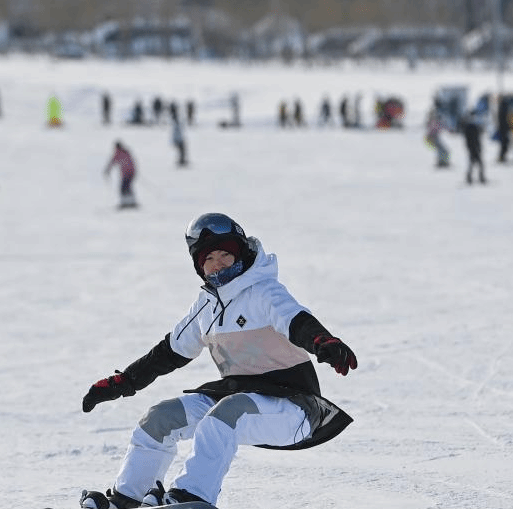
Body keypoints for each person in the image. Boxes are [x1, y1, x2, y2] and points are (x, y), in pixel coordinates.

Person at [79, 213, 357, 509]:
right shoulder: (206, 306)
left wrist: (322, 341)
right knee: (160, 418)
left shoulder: (264, 291)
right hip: (237, 396)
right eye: (209, 258)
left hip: (292, 408)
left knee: (226, 413)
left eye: (225, 254)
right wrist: (124, 382)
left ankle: (192, 495)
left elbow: (296, 320)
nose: (217, 263)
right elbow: (168, 353)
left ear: (240, 254)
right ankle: (128, 497)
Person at [105, 141, 138, 209]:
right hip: (131, 173)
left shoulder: (119, 153)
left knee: (123, 188)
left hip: (127, 173)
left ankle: (126, 203)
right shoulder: (126, 152)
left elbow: (112, 161)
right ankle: (131, 202)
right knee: (127, 188)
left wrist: (107, 170)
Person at [460, 112, 486, 185]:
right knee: (477, 163)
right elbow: (472, 139)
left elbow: (479, 135)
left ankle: (471, 177)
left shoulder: (472, 127)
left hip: (474, 147)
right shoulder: (470, 127)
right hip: (473, 148)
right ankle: (479, 177)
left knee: (474, 163)